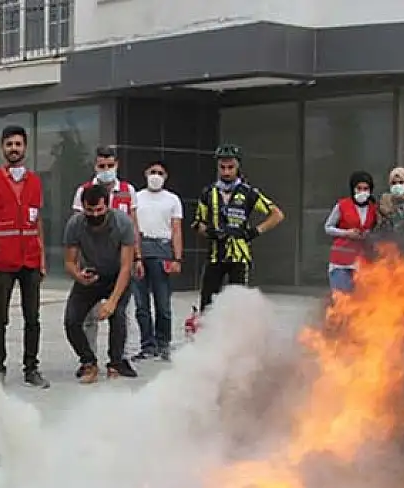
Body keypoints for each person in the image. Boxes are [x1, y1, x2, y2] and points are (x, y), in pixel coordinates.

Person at [0, 125, 50, 388]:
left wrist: (41, 257)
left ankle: (32, 368)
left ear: (25, 148)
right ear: (2, 148)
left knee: (33, 317)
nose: (14, 149)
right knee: (0, 317)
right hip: (3, 260)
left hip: (29, 258)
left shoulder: (35, 181)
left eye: (18, 144)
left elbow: (37, 220)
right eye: (9, 144)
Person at [192, 144, 285, 311]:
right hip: (215, 256)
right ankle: (207, 334)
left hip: (240, 257)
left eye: (230, 167)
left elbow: (277, 214)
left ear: (238, 166)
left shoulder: (249, 192)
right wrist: (209, 231)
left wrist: (255, 231)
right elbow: (199, 223)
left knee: (238, 303)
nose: (226, 172)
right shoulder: (208, 192)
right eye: (222, 167)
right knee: (207, 302)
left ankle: (235, 334)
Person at [71, 146, 141, 370]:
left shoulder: (127, 190)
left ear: (117, 165)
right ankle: (88, 360)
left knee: (122, 314)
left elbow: (134, 224)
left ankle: (120, 359)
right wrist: (79, 268)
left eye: (110, 165)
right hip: (91, 265)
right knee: (89, 318)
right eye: (102, 166)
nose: (106, 170)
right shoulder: (84, 190)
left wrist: (137, 258)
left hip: (120, 260)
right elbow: (78, 229)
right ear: (95, 166)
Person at [132, 160, 183, 361]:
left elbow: (176, 229)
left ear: (166, 176)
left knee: (163, 303)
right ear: (145, 173)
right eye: (152, 171)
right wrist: (135, 255)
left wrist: (177, 258)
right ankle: (147, 345)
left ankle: (163, 343)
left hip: (162, 250)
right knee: (141, 304)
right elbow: (132, 225)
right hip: (140, 249)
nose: (155, 175)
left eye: (160, 172)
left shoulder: (172, 200)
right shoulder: (136, 197)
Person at [323, 171, 378, 293]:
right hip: (340, 262)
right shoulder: (342, 205)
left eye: (366, 188)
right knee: (341, 300)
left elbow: (375, 229)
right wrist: (346, 233)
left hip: (362, 262)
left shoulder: (373, 208)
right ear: (353, 189)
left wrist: (367, 234)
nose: (362, 191)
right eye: (359, 188)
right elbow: (328, 227)